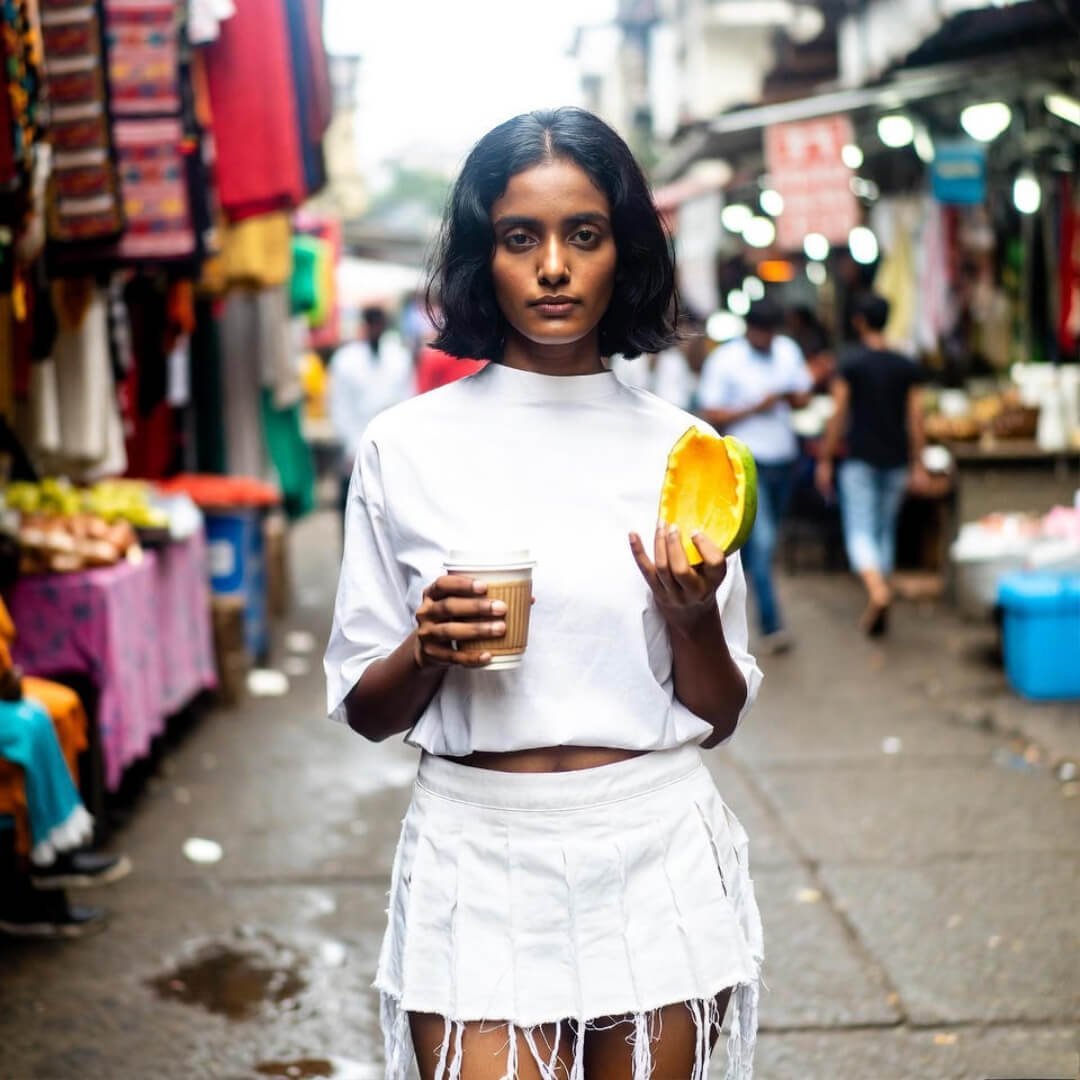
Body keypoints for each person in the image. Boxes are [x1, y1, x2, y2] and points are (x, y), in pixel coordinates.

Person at [324, 108, 764, 1080]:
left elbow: (720, 713)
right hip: (475, 856)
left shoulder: (685, 452)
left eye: (584, 235)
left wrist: (692, 619)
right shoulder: (406, 447)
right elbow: (366, 711)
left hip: (653, 847)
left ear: (624, 252)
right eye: (521, 237)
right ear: (483, 257)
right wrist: (427, 648)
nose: (554, 267)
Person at [697, 299, 812, 652]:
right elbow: (710, 412)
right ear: (749, 329)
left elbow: (804, 397)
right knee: (762, 545)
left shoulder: (787, 351)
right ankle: (772, 624)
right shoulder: (725, 360)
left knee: (759, 546)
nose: (766, 339)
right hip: (745, 465)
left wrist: (789, 397)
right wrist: (754, 408)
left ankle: (732, 608)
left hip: (783, 460)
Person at [815, 292, 928, 635]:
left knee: (860, 531)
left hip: (860, 458)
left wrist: (825, 457)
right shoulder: (905, 365)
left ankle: (877, 591)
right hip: (896, 460)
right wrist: (918, 462)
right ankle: (881, 591)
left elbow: (838, 414)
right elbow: (917, 418)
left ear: (859, 321)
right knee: (884, 531)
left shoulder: (850, 363)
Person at [327, 305, 413, 526]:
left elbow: (408, 400)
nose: (375, 329)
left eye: (379, 324)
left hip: (392, 447)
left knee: (390, 516)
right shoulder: (345, 360)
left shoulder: (399, 358)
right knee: (355, 515)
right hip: (355, 446)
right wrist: (349, 447)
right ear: (364, 326)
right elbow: (339, 406)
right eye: (371, 324)